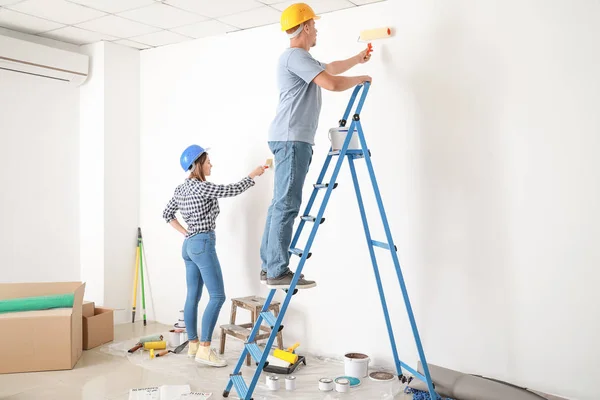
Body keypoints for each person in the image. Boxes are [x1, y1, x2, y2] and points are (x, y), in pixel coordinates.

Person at [260, 3, 372, 289]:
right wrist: (360, 79)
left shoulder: (300, 59)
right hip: (292, 139)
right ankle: (276, 270)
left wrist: (357, 60)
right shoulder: (295, 57)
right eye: (315, 25)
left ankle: (269, 266)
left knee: (279, 205)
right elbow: (331, 83)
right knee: (286, 205)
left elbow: (331, 68)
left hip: (290, 137)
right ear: (306, 26)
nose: (317, 30)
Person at [163, 144, 265, 367]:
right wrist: (253, 174)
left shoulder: (181, 189)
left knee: (193, 296)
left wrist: (185, 232)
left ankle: (193, 345)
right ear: (198, 164)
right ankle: (205, 350)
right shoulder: (201, 188)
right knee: (217, 296)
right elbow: (231, 190)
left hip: (189, 245)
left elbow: (167, 214)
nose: (211, 165)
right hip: (203, 243)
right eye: (208, 161)